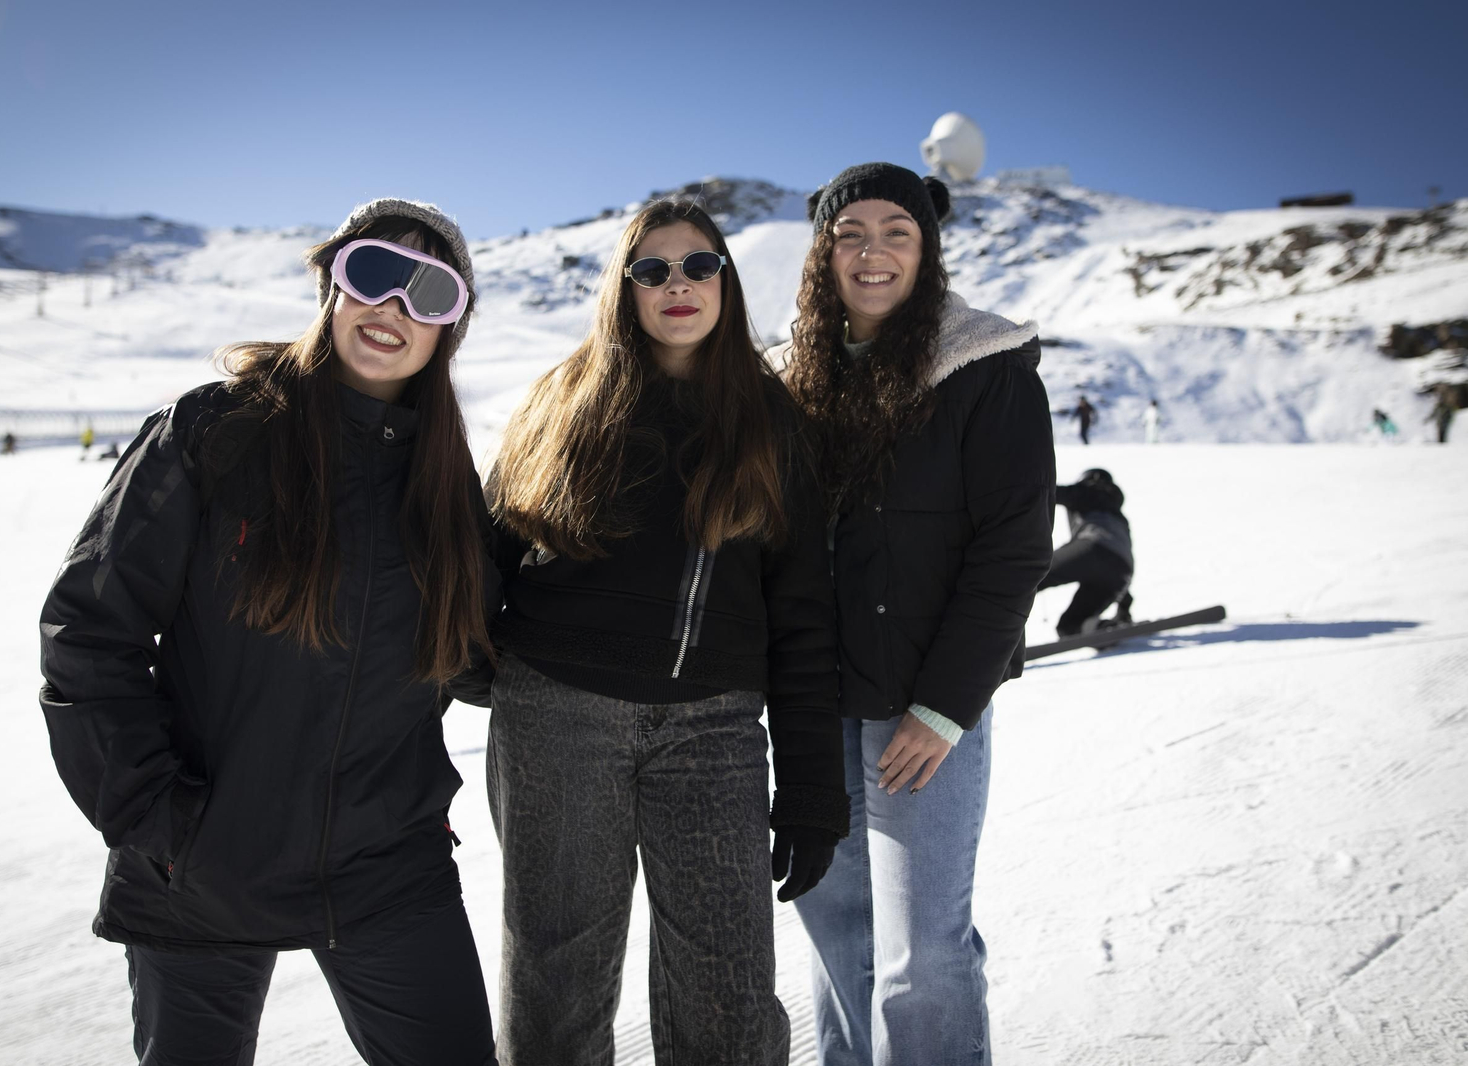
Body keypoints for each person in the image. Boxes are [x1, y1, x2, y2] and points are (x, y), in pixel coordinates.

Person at [39, 198, 499, 1066]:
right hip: (202, 863)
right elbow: (89, 632)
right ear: (331, 281)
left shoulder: (444, 488)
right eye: (373, 273)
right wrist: (157, 820)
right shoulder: (215, 431)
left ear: (451, 327)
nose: (393, 308)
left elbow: (480, 658)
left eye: (429, 291)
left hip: (389, 866)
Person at [485, 199, 845, 1065]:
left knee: (728, 997)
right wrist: (470, 668)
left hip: (714, 729)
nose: (676, 285)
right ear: (625, 290)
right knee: (557, 989)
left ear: (726, 279)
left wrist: (808, 789)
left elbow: (801, 619)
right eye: (652, 270)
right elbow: (483, 557)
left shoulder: (773, 421)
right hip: (559, 718)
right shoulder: (564, 400)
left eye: (697, 266)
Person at [780, 163, 1055, 1066]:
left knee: (922, 955)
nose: (874, 251)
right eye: (851, 232)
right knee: (838, 940)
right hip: (813, 710)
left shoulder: (984, 366)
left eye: (898, 230)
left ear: (928, 248)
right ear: (824, 252)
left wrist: (943, 707)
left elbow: (1012, 549)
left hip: (922, 714)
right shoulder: (792, 380)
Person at [1040, 468, 1136, 638]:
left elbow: (1053, 492)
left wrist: (1025, 489)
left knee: (1029, 575)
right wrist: (1124, 609)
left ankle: (991, 627)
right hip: (1122, 570)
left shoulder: (1089, 490)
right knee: (1069, 627)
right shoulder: (1119, 518)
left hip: (1093, 547)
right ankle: (1100, 628)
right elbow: (1115, 563)